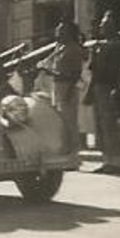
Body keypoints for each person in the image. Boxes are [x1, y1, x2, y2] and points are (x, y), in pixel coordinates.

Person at [86, 11, 120, 174]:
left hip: (110, 86)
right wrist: (90, 91)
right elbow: (94, 70)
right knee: (101, 126)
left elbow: (119, 69)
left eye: (107, 25)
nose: (103, 27)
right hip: (99, 86)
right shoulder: (99, 46)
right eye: (103, 25)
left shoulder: (117, 46)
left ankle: (116, 162)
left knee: (111, 126)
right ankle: (107, 161)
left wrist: (117, 89)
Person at [41, 21, 85, 156]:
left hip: (68, 86)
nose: (58, 34)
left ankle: (74, 151)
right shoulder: (60, 48)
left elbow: (76, 73)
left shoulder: (74, 49)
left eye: (61, 32)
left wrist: (52, 73)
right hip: (58, 85)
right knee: (60, 121)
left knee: (69, 121)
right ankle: (65, 148)